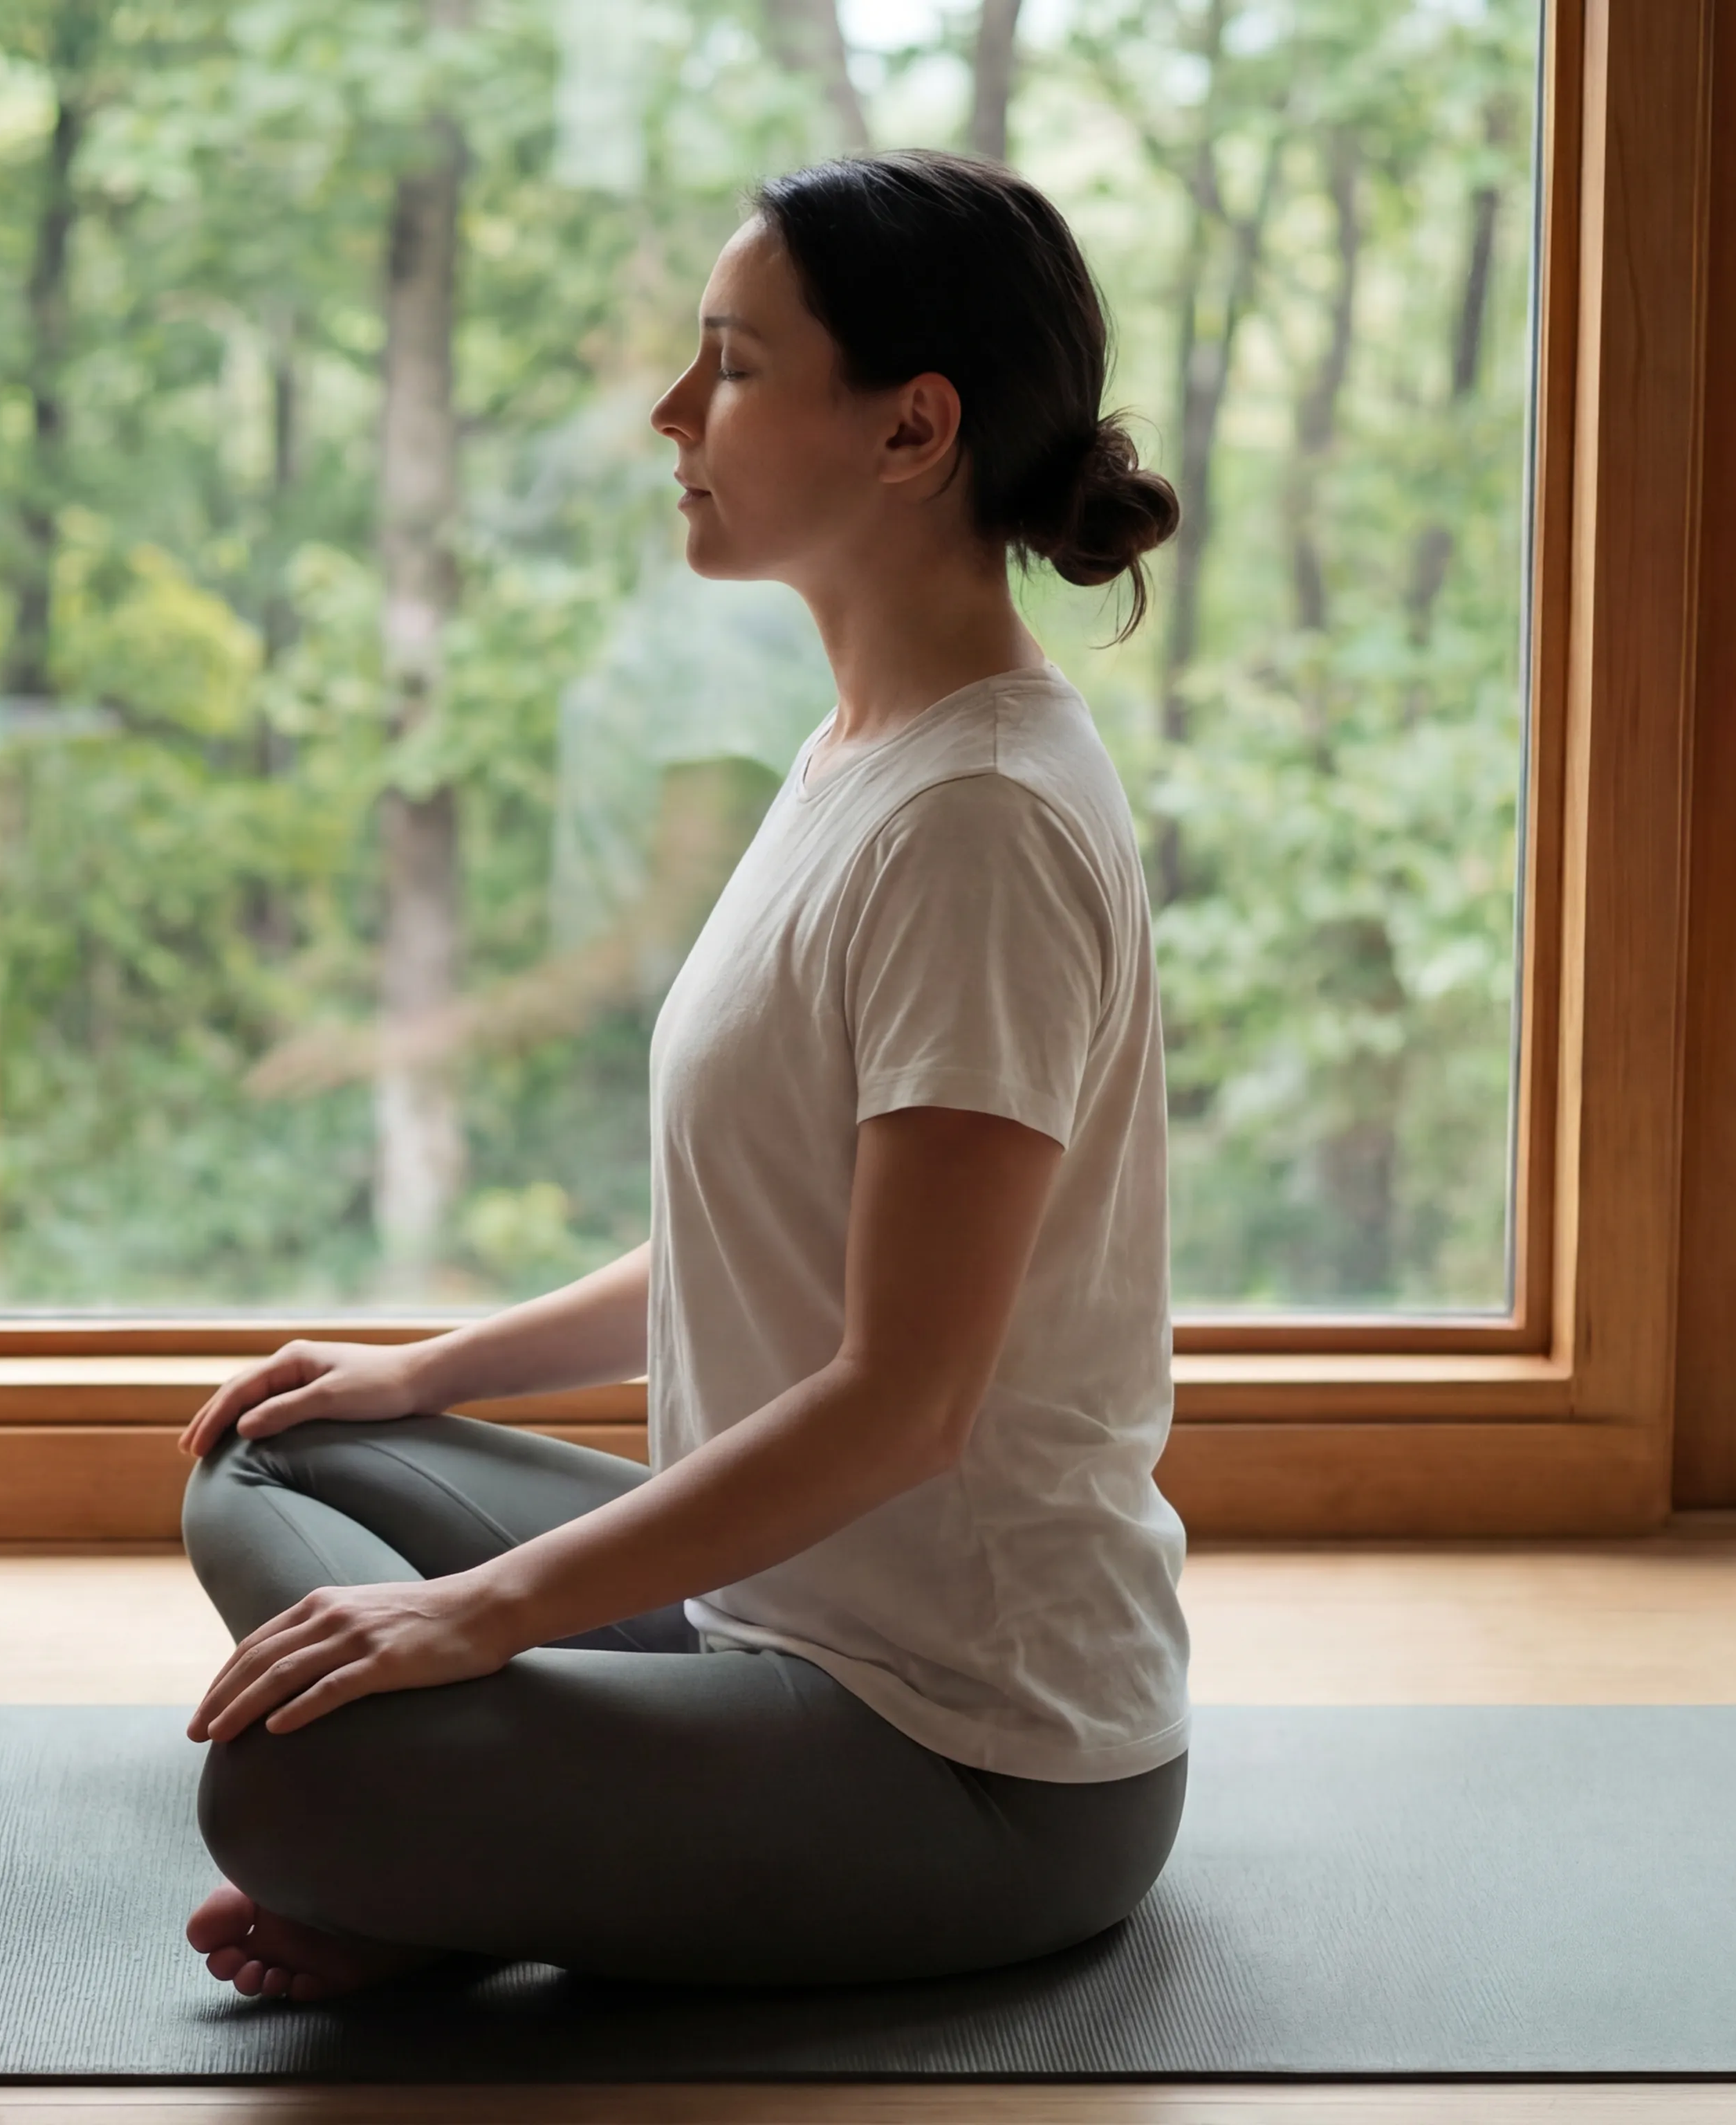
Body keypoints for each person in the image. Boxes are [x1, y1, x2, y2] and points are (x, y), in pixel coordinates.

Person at [174, 148, 1189, 2001]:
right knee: (275, 1459)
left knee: (283, 1791)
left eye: (728, 362)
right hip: (767, 1619)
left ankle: (488, 1881)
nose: (670, 410)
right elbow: (769, 1239)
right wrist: (426, 1367)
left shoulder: (974, 821)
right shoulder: (860, 755)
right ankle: (530, 1864)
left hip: (973, 1757)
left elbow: (906, 1400)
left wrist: (479, 1616)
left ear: (912, 431)